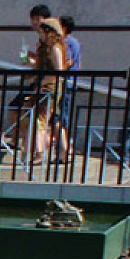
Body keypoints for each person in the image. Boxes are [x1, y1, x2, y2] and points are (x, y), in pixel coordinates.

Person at [14, 17, 65, 164]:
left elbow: (59, 71)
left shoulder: (55, 48)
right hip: (42, 85)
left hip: (50, 87)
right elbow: (40, 67)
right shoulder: (45, 49)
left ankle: (39, 152)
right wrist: (29, 62)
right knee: (28, 116)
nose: (40, 35)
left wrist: (44, 80)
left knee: (40, 119)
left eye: (42, 32)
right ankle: (30, 150)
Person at [52, 15, 81, 161]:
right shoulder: (75, 42)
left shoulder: (65, 42)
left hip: (65, 83)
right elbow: (78, 63)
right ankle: (66, 148)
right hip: (72, 82)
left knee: (60, 116)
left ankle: (65, 149)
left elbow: (67, 62)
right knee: (63, 114)